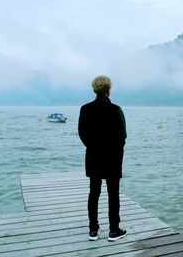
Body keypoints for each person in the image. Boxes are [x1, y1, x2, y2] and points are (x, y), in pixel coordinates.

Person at [78, 75, 127, 242]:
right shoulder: (116, 110)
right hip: (113, 158)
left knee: (94, 192)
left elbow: (82, 135)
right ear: (109, 90)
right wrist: (114, 150)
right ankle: (114, 230)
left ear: (94, 90)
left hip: (93, 156)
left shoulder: (85, 109)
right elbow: (123, 137)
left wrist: (93, 147)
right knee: (113, 194)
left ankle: (93, 230)